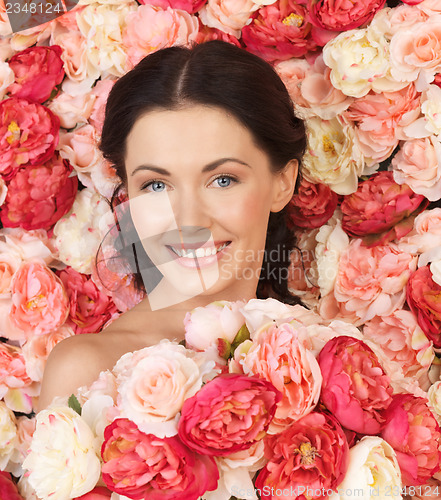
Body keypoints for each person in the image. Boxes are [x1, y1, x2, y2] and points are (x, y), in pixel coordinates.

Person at [37, 40, 306, 411]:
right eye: (156, 185)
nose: (190, 221)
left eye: (223, 179)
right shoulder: (87, 372)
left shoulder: (324, 355)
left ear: (282, 183)